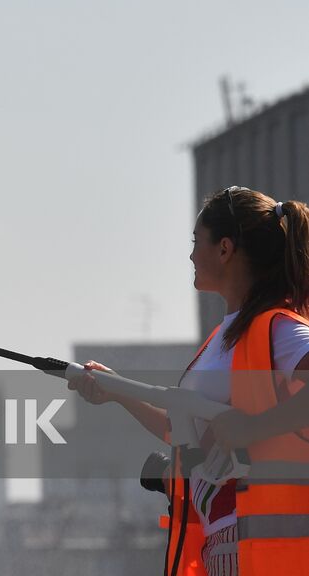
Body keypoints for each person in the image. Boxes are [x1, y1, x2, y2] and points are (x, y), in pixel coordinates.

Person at [70, 187, 309, 576]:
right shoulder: (226, 337)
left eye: (197, 242)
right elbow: (183, 430)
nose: (191, 255)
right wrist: (117, 391)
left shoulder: (277, 329)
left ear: (225, 249)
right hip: (226, 549)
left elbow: (239, 430)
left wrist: (254, 428)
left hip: (257, 552)